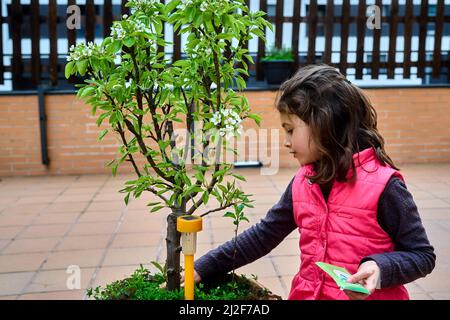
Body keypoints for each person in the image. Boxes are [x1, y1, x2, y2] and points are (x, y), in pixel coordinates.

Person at [191, 64, 436, 300]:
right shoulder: (303, 182)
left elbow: (422, 255)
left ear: (323, 124)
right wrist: (202, 268)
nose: (286, 142)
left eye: (290, 129)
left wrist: (379, 268)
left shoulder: (385, 186)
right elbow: (263, 235)